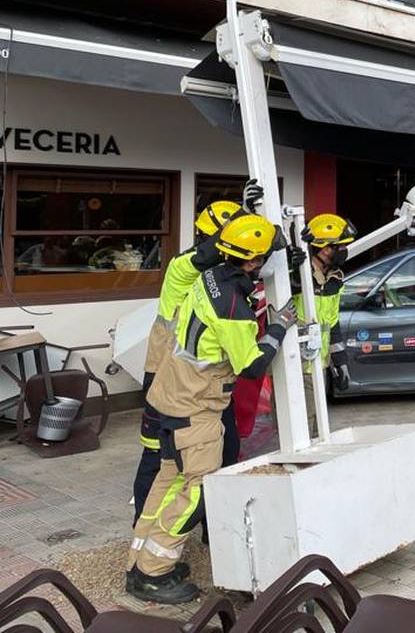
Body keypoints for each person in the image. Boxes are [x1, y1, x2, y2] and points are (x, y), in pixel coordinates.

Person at [127, 214, 291, 604]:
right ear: (252, 262)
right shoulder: (233, 304)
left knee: (167, 482)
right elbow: (251, 365)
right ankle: (153, 574)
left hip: (170, 398)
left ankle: (140, 559)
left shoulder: (209, 275)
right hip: (196, 407)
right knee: (199, 490)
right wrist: (278, 328)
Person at [131, 199, 241, 521]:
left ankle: (213, 528)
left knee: (223, 450)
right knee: (157, 457)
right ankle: (144, 525)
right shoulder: (184, 265)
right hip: (165, 378)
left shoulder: (224, 275)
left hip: (206, 383)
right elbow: (210, 254)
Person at [296, 213, 357, 437]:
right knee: (302, 430)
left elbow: (332, 325)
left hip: (318, 366)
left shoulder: (334, 280)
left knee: (318, 429)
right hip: (297, 367)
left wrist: (340, 364)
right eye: (338, 247)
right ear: (323, 249)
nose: (343, 252)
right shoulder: (298, 277)